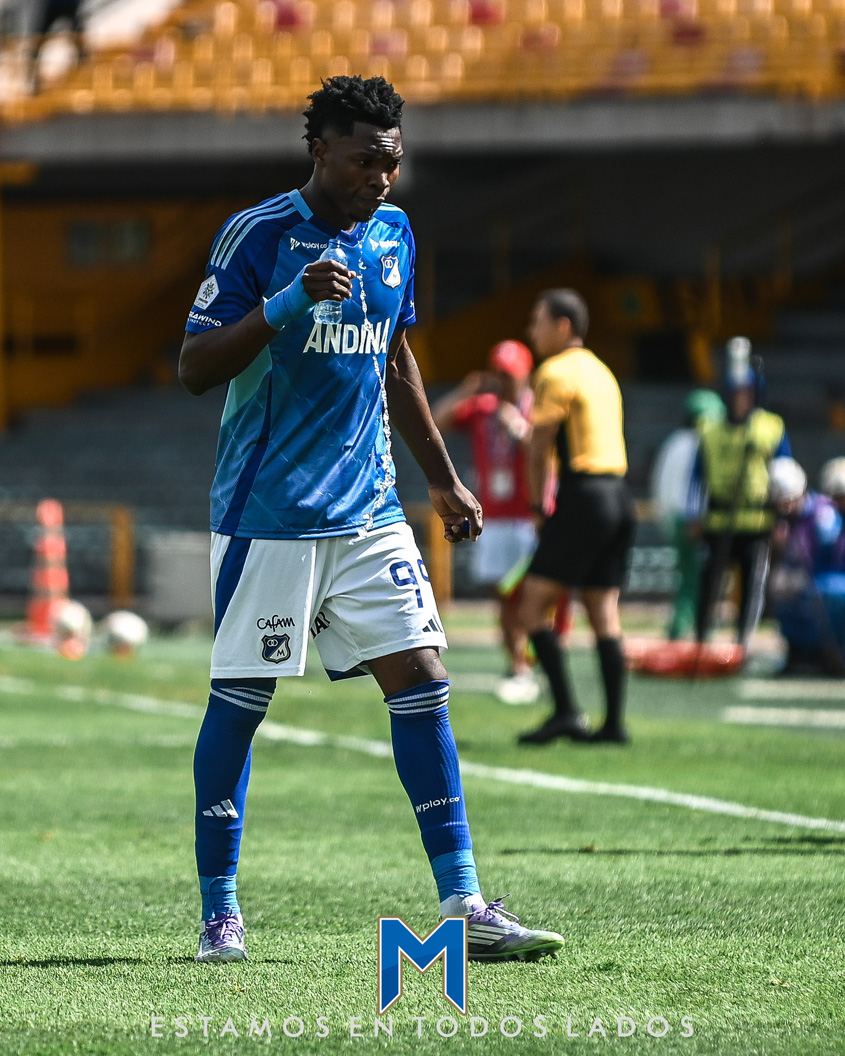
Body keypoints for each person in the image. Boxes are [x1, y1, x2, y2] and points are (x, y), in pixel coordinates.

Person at [178, 76, 563, 964]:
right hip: (268, 513)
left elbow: (396, 357)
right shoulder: (257, 234)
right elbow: (194, 366)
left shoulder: (394, 234)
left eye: (391, 162)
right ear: (320, 151)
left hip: (369, 509)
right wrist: (285, 303)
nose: (380, 178)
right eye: (363, 161)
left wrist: (442, 478)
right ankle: (219, 912)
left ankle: (463, 904)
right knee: (243, 702)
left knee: (423, 678)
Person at [515, 289, 635, 746]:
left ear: (562, 326)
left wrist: (536, 507)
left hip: (584, 496)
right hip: (619, 495)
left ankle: (566, 711)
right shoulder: (602, 371)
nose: (532, 331)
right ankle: (614, 724)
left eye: (538, 321)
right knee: (604, 610)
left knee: (530, 606)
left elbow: (539, 446)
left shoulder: (554, 371)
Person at [432, 340, 541, 704]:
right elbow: (437, 420)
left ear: (525, 373)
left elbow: (546, 452)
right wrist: (466, 390)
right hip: (494, 517)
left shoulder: (536, 406)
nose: (504, 380)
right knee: (504, 598)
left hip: (528, 516)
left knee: (532, 597)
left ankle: (532, 661)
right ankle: (517, 664)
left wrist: (520, 431)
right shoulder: (483, 408)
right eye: (499, 373)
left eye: (509, 374)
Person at [688, 337, 791, 649]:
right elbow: (697, 475)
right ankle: (702, 637)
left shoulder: (771, 427)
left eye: (747, 393)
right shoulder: (710, 428)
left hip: (757, 521)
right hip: (718, 520)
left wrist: (781, 518)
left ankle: (742, 641)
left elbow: (784, 473)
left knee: (750, 585)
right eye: (736, 393)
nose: (741, 400)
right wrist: (694, 513)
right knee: (709, 581)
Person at [650, 389, 725, 640]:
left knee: (687, 577)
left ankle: (681, 627)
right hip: (694, 521)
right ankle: (686, 629)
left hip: (674, 519)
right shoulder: (701, 443)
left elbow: (659, 484)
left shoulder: (673, 442)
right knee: (696, 579)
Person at [768, 457, 845, 675]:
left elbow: (827, 555)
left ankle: (827, 652)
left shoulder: (822, 514)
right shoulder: (786, 521)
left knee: (825, 591)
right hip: (811, 574)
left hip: (828, 575)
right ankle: (798, 651)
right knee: (782, 586)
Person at [30, 0, 86, 91]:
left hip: (67, 5)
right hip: (56, 5)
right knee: (38, 40)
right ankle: (34, 77)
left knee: (79, 40)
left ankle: (83, 70)